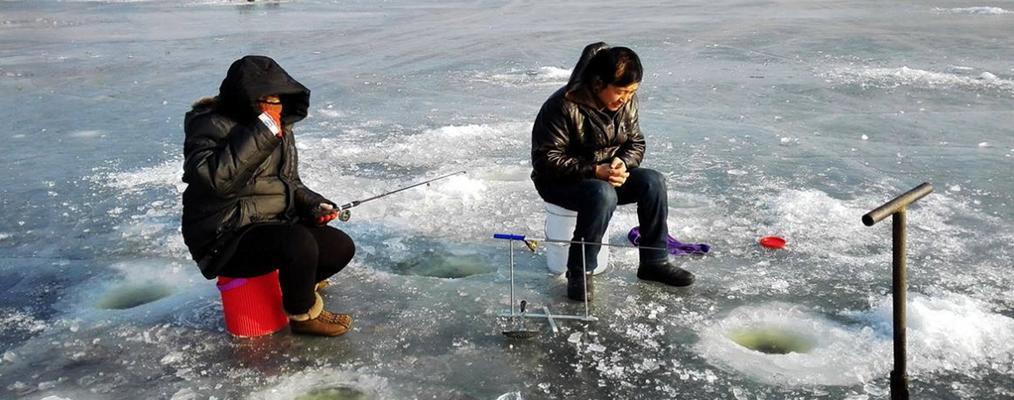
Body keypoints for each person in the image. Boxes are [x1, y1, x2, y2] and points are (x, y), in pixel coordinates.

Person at [181, 55, 354, 336]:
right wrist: (264, 129)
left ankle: (300, 286)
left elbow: (288, 182)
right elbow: (216, 181)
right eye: (269, 98)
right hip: (225, 235)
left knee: (339, 246)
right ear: (246, 97)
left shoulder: (279, 127)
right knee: (297, 243)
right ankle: (303, 313)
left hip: (269, 227)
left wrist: (314, 205)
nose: (276, 105)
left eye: (280, 98)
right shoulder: (208, 124)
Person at [531, 42, 695, 301]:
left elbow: (635, 142)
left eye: (632, 92)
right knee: (602, 193)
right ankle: (579, 272)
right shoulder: (562, 106)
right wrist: (595, 170)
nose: (626, 98)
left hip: (607, 174)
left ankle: (654, 262)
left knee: (653, 182)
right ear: (598, 84)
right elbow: (546, 160)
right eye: (621, 92)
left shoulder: (626, 103)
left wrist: (622, 163)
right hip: (559, 181)